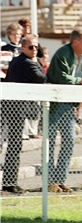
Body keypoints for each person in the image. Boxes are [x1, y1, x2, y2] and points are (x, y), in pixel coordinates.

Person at [46, 27, 82, 193]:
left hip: (70, 105)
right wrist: (80, 81)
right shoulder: (62, 53)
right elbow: (61, 77)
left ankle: (61, 180)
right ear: (75, 42)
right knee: (50, 141)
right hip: (54, 103)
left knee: (69, 141)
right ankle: (50, 181)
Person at [1, 35, 46, 193]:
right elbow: (42, 77)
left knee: (13, 145)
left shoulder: (18, 60)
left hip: (11, 107)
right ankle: (9, 182)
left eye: (36, 47)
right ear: (23, 48)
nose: (35, 50)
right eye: (31, 47)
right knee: (14, 145)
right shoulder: (27, 63)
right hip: (15, 109)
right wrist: (38, 62)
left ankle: (9, 181)